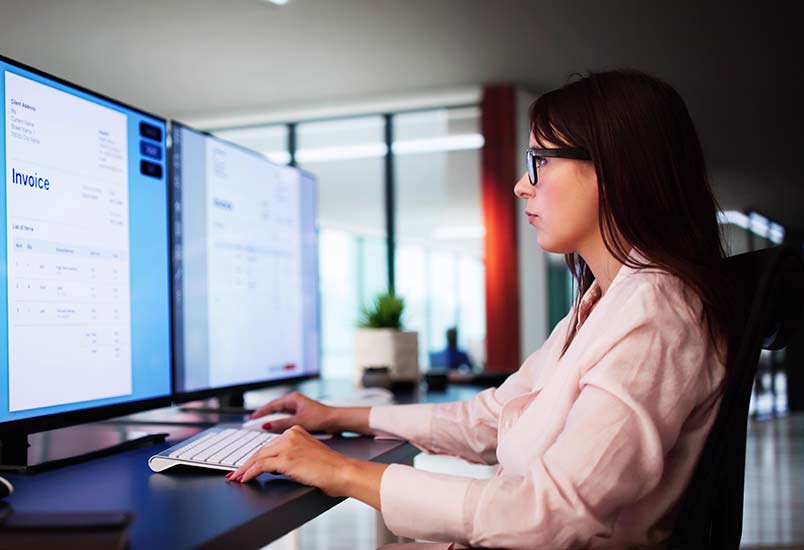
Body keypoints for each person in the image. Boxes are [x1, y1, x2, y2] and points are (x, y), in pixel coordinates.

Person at [227, 69, 734, 549]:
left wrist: (343, 472)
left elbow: (552, 515)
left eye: (541, 160)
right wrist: (338, 416)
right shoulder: (603, 303)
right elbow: (487, 420)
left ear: (615, 170)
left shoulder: (657, 314)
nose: (521, 185)